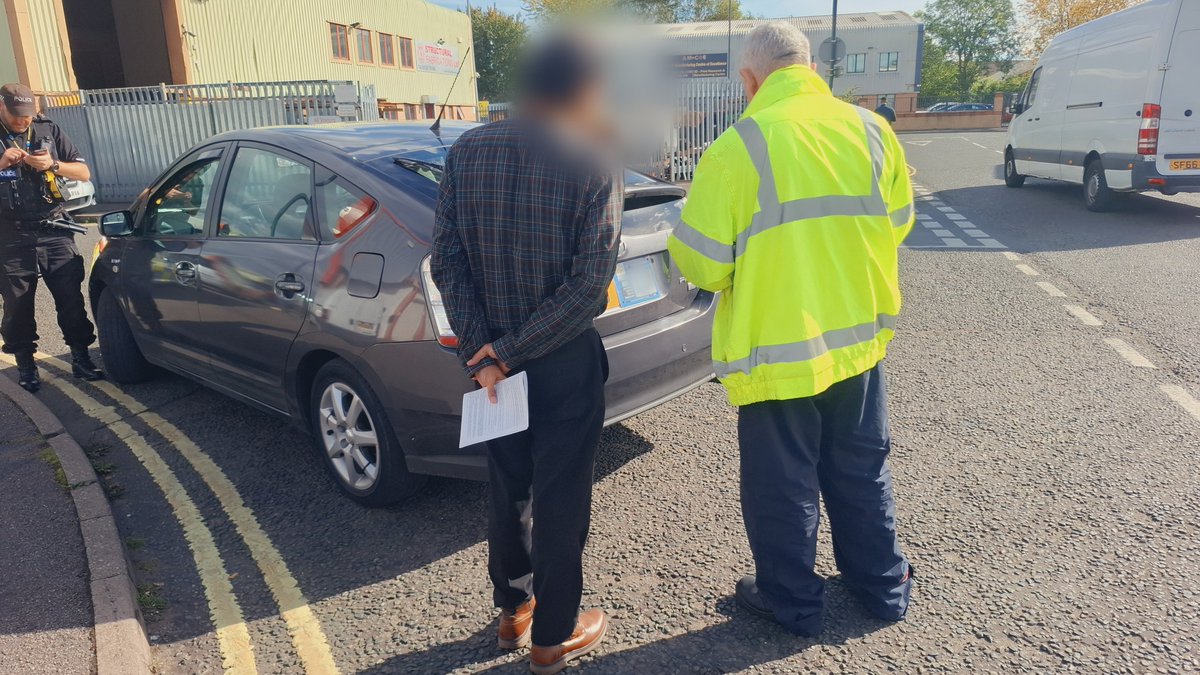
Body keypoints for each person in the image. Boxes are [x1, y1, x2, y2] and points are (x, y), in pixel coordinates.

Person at [667, 23, 916, 636]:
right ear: (811, 67)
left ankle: (794, 602)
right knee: (861, 466)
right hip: (857, 340)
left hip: (777, 351)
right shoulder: (873, 130)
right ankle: (883, 586)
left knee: (783, 484)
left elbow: (703, 265)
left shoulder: (737, 147)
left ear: (749, 79)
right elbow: (898, 224)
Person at [429, 37, 621, 675]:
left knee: (507, 485)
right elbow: (588, 287)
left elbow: (446, 261)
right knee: (562, 497)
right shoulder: (593, 158)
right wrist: (510, 351)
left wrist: (484, 354)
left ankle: (513, 610)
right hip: (562, 359)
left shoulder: (466, 150)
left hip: (490, 364)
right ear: (582, 89)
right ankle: (552, 638)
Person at [0, 83, 102, 392]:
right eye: (17, 115)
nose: (23, 121)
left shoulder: (48, 128)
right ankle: (26, 365)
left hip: (54, 228)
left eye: (28, 115)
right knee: (18, 305)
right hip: (11, 233)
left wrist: (52, 165)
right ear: (2, 106)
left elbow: (84, 173)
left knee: (70, 298)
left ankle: (81, 358)